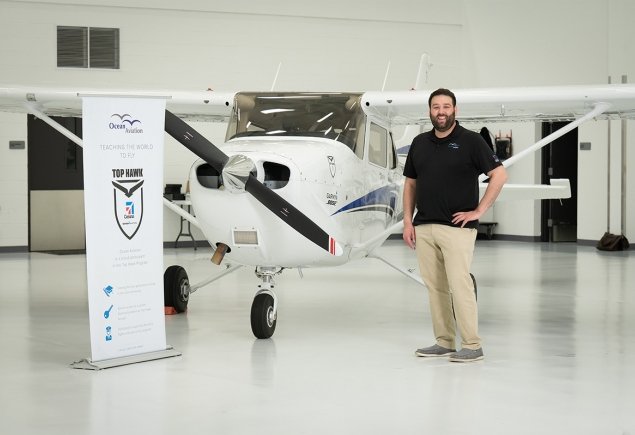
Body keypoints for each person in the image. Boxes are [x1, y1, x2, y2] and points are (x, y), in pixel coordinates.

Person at [402, 88, 507, 363]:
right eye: (436, 107)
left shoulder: (471, 142)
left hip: (456, 228)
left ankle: (472, 345)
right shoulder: (419, 143)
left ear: (455, 110)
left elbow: (499, 174)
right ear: (429, 111)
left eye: (446, 107)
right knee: (435, 287)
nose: (441, 112)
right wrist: (407, 222)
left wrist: (479, 210)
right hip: (424, 226)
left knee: (460, 285)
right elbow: (410, 183)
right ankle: (445, 342)